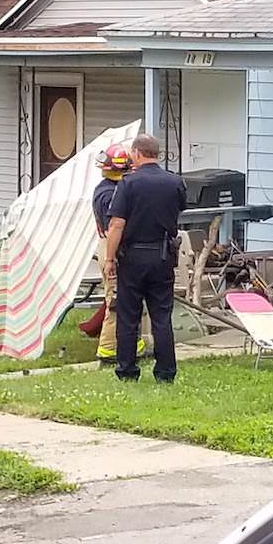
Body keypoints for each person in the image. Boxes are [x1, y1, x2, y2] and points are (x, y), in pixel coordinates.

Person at [104, 133, 187, 383]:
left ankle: (128, 371)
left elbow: (117, 224)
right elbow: (179, 210)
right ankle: (165, 373)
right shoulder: (175, 182)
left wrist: (109, 258)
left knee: (129, 316)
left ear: (137, 153)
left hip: (133, 256)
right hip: (163, 256)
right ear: (157, 154)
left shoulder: (128, 183)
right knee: (162, 316)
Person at [91, 142, 144, 367]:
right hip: (114, 248)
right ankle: (108, 351)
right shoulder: (108, 194)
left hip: (120, 249)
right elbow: (116, 227)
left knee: (131, 300)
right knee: (116, 301)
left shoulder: (111, 188)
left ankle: (135, 346)